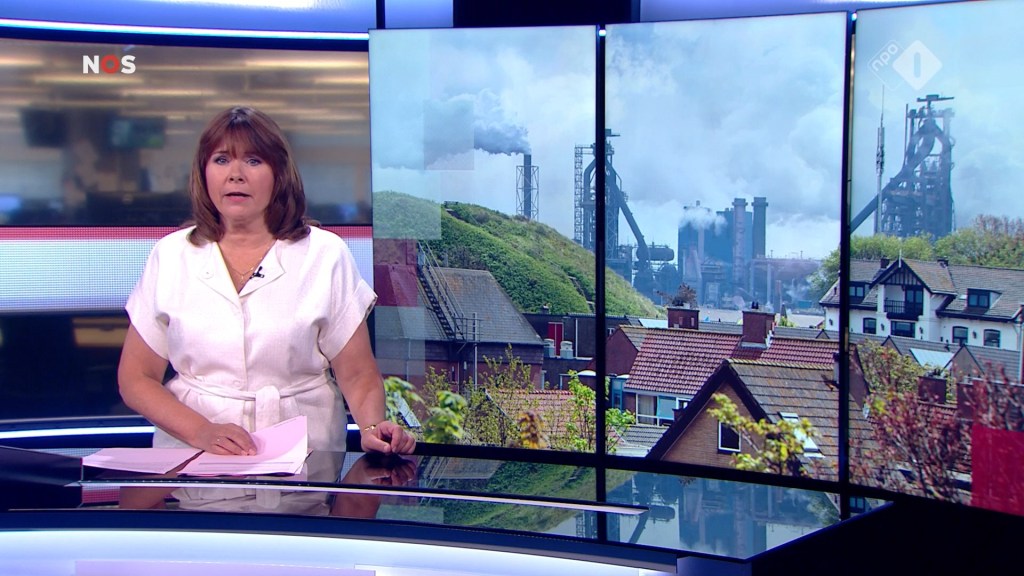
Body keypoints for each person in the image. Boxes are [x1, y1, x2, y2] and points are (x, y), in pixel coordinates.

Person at [117, 105, 414, 456]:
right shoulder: (170, 255)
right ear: (203, 172)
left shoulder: (324, 254)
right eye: (222, 160)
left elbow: (358, 374)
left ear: (279, 174)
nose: (236, 175)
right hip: (191, 454)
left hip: (305, 455)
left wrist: (372, 428)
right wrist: (201, 432)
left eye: (253, 161)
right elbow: (136, 378)